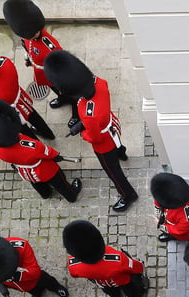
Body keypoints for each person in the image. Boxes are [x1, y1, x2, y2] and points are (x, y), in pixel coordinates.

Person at [44, 50, 138, 212]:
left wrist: (83, 131)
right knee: (118, 146)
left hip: (103, 142)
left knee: (112, 171)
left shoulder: (89, 114)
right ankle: (122, 153)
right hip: (112, 124)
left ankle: (128, 194)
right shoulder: (98, 82)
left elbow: (94, 137)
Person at [0, 98, 81, 202]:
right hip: (45, 170)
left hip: (26, 172)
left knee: (36, 183)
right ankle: (71, 195)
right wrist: (56, 155)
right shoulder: (29, 146)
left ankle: (46, 193)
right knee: (60, 182)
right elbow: (47, 152)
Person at [3, 0, 73, 110]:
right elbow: (29, 48)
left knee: (66, 91)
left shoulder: (50, 47)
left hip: (54, 74)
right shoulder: (26, 34)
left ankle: (74, 107)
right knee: (54, 88)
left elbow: (61, 67)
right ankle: (62, 97)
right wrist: (30, 61)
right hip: (42, 72)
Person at [62, 220, 148, 297]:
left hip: (102, 283)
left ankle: (115, 296)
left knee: (111, 292)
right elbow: (136, 267)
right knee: (132, 292)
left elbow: (74, 274)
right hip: (121, 280)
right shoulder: (117, 260)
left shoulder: (72, 265)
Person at [150, 173, 189, 242]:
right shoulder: (174, 191)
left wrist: (162, 226)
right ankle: (171, 235)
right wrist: (158, 212)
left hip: (185, 232)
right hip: (170, 221)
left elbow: (179, 230)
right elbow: (159, 200)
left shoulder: (188, 216)